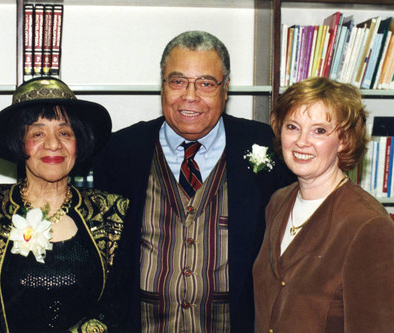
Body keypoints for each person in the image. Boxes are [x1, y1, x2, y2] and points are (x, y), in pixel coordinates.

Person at [92, 30, 294, 332]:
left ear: (225, 89)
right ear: (162, 85)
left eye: (206, 83)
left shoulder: (270, 146)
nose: (190, 96)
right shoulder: (119, 152)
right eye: (178, 81)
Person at [0, 77, 129, 333]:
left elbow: (116, 307)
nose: (53, 144)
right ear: (19, 142)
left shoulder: (115, 213)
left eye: (65, 133)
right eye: (37, 133)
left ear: (79, 143)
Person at [253, 77, 394, 332]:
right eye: (293, 127)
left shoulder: (368, 224)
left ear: (344, 140)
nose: (301, 141)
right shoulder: (278, 201)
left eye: (319, 130)